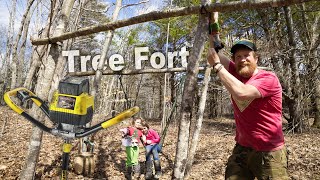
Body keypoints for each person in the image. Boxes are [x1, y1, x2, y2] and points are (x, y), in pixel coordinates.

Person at [207, 39, 289, 180]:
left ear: (256, 58)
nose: (243, 60)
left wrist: (217, 66)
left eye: (247, 55)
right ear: (234, 60)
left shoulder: (268, 78)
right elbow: (215, 52)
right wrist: (213, 24)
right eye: (238, 57)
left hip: (268, 151)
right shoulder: (236, 73)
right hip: (242, 147)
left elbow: (242, 92)